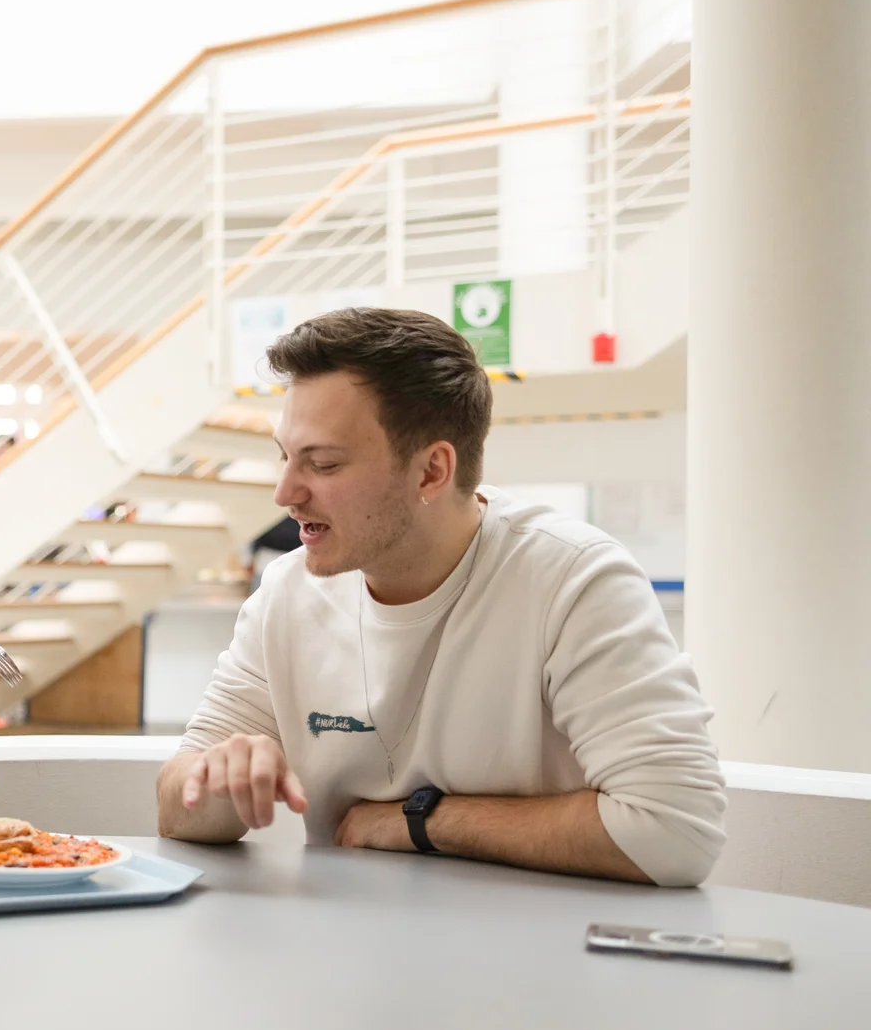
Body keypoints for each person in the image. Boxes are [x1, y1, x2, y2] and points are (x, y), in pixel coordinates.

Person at [155, 307, 725, 886]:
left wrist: (415, 823)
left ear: (431, 471)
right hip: (339, 959)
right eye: (285, 456)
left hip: (539, 960)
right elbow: (177, 807)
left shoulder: (571, 579)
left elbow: (676, 831)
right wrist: (214, 782)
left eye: (322, 464)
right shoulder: (286, 593)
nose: (285, 492)